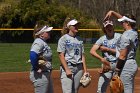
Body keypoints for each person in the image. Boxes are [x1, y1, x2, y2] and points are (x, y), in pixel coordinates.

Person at [104, 10, 138, 93]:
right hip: (132, 63)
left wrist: (117, 71)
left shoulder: (126, 35)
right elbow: (126, 20)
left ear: (127, 23)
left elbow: (122, 55)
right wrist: (112, 12)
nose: (121, 23)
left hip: (125, 65)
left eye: (123, 22)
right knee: (128, 88)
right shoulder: (134, 32)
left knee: (126, 90)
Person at [57, 19, 89, 93]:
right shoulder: (63, 39)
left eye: (77, 25)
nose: (77, 27)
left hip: (79, 68)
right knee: (67, 91)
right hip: (68, 66)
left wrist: (85, 71)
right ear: (69, 27)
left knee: (75, 91)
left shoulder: (80, 39)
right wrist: (67, 69)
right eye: (74, 25)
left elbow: (82, 56)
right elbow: (61, 55)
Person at [90, 20, 122, 93]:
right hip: (107, 65)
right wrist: (102, 59)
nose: (109, 28)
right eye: (107, 27)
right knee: (100, 90)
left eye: (110, 26)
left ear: (113, 27)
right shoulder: (102, 39)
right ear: (104, 29)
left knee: (118, 89)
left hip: (119, 65)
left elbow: (122, 52)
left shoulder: (119, 37)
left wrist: (107, 49)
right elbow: (92, 51)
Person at [29, 24, 54, 93]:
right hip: (40, 76)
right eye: (47, 32)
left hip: (45, 74)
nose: (49, 33)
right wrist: (36, 68)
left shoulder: (43, 42)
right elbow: (33, 55)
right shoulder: (38, 42)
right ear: (41, 34)